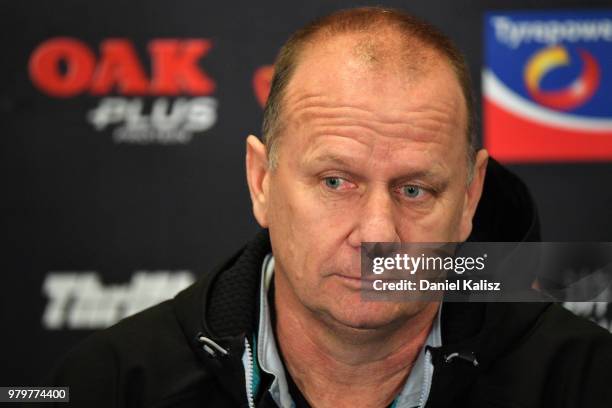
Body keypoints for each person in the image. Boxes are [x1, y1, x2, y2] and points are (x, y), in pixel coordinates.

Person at [46, 7, 612, 408]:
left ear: (469, 200)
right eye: (336, 181)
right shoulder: (115, 383)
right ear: (261, 181)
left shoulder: (586, 380)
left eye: (414, 190)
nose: (376, 235)